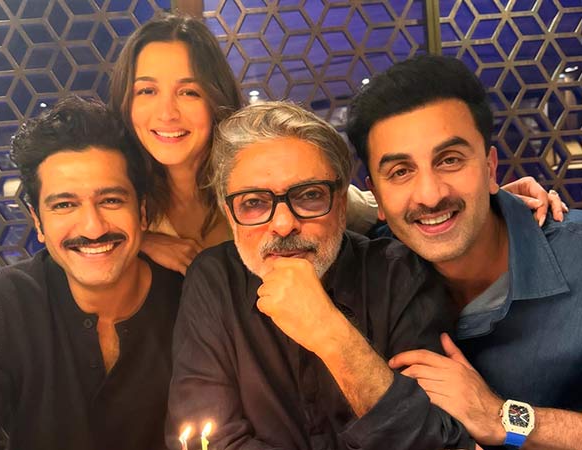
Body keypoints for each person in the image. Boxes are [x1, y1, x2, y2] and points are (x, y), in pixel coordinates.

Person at [168, 101, 475, 450]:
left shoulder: (400, 274)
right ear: (229, 213)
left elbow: (435, 441)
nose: (283, 224)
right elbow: (209, 440)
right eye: (254, 203)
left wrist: (333, 335)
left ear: (341, 203)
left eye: (309, 196)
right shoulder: (215, 280)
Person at [347, 54, 582, 449]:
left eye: (450, 160)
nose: (430, 195)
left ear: (490, 168)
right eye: (400, 172)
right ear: (377, 196)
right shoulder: (370, 272)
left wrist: (503, 417)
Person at [0, 96, 183, 450]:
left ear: (142, 211)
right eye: (65, 205)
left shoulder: (191, 300)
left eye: (111, 200)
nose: (93, 228)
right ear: (37, 221)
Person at [108, 13, 393, 274]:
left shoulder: (256, 172)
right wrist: (140, 239)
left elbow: (373, 212)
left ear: (215, 98)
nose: (167, 113)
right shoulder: (122, 199)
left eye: (189, 92)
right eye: (147, 91)